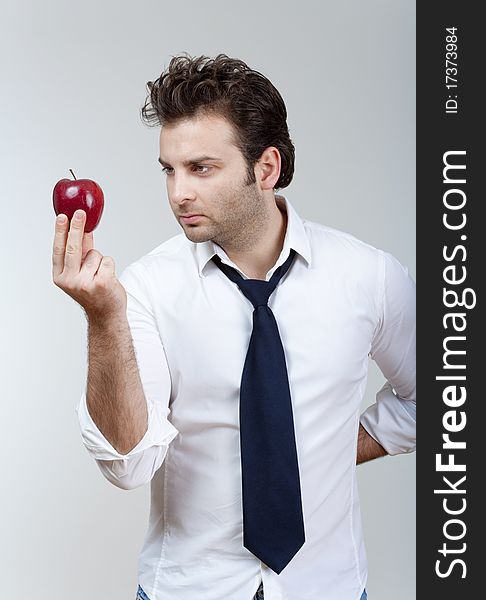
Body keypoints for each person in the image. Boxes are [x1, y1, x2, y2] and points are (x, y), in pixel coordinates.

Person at [52, 54, 415, 600]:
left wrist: (336, 446)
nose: (178, 193)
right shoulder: (146, 288)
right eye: (169, 170)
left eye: (201, 168)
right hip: (189, 590)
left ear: (264, 169)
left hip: (328, 586)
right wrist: (103, 317)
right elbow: (127, 465)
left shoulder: (370, 277)